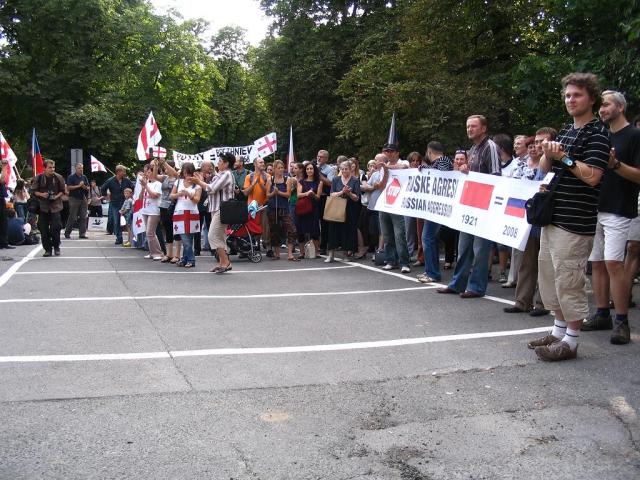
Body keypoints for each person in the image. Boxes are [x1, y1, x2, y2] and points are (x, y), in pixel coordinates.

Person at [527, 72, 610, 361]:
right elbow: (542, 169)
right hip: (553, 218)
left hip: (575, 222)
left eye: (577, 95)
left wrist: (564, 158)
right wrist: (548, 155)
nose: (570, 100)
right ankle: (558, 330)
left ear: (591, 99)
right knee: (550, 278)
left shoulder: (598, 134)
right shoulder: (565, 131)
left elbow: (593, 177)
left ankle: (571, 341)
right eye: (567, 95)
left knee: (569, 279)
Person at [581, 90, 640, 345]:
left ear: (620, 106)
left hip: (619, 208)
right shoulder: (600, 136)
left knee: (614, 263)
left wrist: (616, 165)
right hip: (595, 206)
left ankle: (622, 321)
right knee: (596, 263)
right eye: (601, 106)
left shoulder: (635, 136)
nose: (602, 109)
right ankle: (602, 313)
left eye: (606, 105)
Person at [437, 115, 500, 298]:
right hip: (470, 204)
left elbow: (495, 176)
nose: (470, 129)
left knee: (480, 249)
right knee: (464, 246)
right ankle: (458, 283)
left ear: (483, 128)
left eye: (474, 126)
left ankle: (477, 286)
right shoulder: (472, 149)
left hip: (483, 205)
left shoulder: (490, 147)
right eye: (468, 126)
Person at [504, 127, 557, 317]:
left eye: (544, 141)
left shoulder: (557, 162)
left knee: (545, 263)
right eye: (537, 141)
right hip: (530, 219)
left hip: (549, 218)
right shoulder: (525, 165)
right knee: (527, 262)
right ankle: (522, 301)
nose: (540, 144)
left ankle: (543, 302)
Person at [417, 141, 453, 284]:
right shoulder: (441, 162)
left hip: (437, 208)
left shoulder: (443, 161)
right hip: (433, 207)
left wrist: (428, 170)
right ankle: (430, 270)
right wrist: (426, 169)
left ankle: (432, 273)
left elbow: (441, 176)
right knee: (428, 238)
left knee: (428, 238)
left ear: (429, 152)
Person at [193, 152, 235, 274]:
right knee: (220, 237)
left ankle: (225, 262)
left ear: (226, 163)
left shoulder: (226, 174)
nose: (218, 163)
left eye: (221, 161)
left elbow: (211, 189)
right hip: (216, 208)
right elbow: (211, 187)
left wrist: (199, 182)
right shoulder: (221, 174)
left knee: (212, 236)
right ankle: (223, 263)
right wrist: (201, 180)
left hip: (222, 209)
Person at [378, 143, 411, 273]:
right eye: (386, 151)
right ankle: (391, 260)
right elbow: (381, 185)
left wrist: (387, 166)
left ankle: (404, 262)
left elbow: (403, 167)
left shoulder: (404, 162)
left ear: (397, 152)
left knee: (399, 235)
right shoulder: (383, 167)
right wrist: (385, 170)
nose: (389, 153)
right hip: (385, 202)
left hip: (398, 204)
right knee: (387, 235)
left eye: (391, 151)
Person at [325, 160, 361, 263]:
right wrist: (342, 192)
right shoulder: (336, 179)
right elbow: (331, 194)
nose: (344, 171)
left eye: (346, 169)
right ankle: (330, 255)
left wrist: (349, 193)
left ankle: (345, 255)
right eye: (342, 169)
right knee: (333, 230)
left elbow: (356, 198)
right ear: (340, 169)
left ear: (350, 169)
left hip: (350, 209)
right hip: (336, 207)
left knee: (347, 231)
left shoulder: (355, 180)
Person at [170, 162, 202, 268]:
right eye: (185, 173)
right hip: (179, 212)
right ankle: (189, 259)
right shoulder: (178, 182)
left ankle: (187, 259)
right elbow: (171, 196)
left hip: (192, 212)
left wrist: (188, 194)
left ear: (192, 173)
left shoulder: (197, 184)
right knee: (184, 238)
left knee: (189, 238)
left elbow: (197, 200)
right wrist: (179, 194)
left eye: (189, 173)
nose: (187, 175)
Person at [266, 160, 299, 261]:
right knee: (274, 230)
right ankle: (277, 253)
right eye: (278, 168)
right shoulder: (270, 180)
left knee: (291, 230)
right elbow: (267, 195)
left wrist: (278, 192)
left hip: (284, 208)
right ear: (275, 169)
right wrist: (273, 193)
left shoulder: (287, 179)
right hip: (272, 208)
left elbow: (288, 194)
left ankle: (289, 253)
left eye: (282, 167)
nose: (281, 170)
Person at [32, 159, 66, 256]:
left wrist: (56, 196)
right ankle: (47, 249)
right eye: (50, 167)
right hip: (43, 207)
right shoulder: (38, 178)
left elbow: (62, 191)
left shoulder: (59, 177)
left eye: (53, 167)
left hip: (55, 206)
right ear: (44, 168)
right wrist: (42, 194)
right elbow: (33, 191)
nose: (52, 169)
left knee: (56, 228)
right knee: (43, 229)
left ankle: (56, 247)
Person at [150, 158, 179, 262]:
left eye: (167, 167)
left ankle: (176, 254)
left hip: (172, 205)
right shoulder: (165, 178)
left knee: (174, 229)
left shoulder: (176, 178)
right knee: (167, 228)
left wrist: (164, 162)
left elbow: (175, 173)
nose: (166, 170)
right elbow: (154, 177)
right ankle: (169, 253)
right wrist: (156, 166)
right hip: (163, 205)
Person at [101, 165, 134, 245]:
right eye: (124, 171)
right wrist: (106, 195)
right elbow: (103, 188)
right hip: (115, 203)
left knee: (128, 221)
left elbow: (133, 188)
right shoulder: (110, 180)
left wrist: (131, 196)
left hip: (126, 203)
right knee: (116, 221)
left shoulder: (127, 180)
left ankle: (131, 239)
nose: (125, 173)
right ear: (118, 172)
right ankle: (119, 238)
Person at [243, 157, 270, 254]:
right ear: (255, 164)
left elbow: (268, 192)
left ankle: (268, 247)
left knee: (265, 226)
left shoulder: (267, 176)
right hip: (252, 206)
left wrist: (259, 182)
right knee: (254, 227)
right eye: (260, 162)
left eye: (263, 162)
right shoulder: (249, 177)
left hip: (264, 205)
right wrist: (253, 184)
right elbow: (245, 193)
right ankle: (256, 244)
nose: (263, 163)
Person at [296, 162, 323, 255]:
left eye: (311, 168)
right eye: (307, 169)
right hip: (302, 208)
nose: (309, 170)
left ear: (314, 170)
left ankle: (316, 252)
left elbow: (318, 197)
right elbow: (298, 195)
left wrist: (312, 194)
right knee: (301, 230)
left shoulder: (319, 182)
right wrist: (307, 193)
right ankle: (302, 253)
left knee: (314, 230)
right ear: (305, 171)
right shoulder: (301, 182)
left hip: (313, 208)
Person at [138, 167, 163, 261]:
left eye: (149, 172)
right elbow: (140, 198)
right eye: (146, 172)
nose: (147, 174)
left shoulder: (158, 184)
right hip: (145, 210)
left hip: (154, 211)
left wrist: (146, 186)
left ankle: (158, 253)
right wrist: (143, 187)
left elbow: (154, 195)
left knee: (150, 232)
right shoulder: (147, 184)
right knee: (149, 233)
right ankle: (152, 252)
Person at [316, 149, 335, 254]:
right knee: (314, 221)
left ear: (326, 158)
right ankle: (314, 244)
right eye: (318, 156)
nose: (319, 158)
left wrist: (318, 173)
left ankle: (324, 246)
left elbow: (330, 183)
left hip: (325, 198)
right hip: (314, 197)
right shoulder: (313, 167)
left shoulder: (330, 169)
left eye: (321, 157)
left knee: (324, 223)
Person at [64, 162, 89, 239]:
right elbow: (68, 188)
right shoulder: (71, 177)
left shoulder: (84, 177)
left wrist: (83, 186)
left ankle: (82, 234)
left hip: (82, 197)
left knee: (83, 216)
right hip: (73, 198)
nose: (81, 169)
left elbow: (88, 188)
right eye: (79, 168)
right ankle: (67, 233)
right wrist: (78, 186)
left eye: (82, 168)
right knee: (73, 216)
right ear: (75, 168)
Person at [0, 157, 12, 249]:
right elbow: (2, 179)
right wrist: (4, 167)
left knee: (4, 222)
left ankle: (4, 242)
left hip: (1, 199)